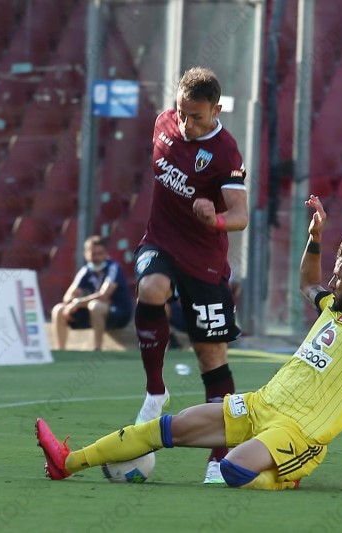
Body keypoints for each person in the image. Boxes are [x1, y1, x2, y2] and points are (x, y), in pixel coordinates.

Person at [36, 195, 342, 490]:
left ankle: (290, 475)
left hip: (299, 432)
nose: (331, 282)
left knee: (234, 471)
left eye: (339, 276)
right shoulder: (332, 307)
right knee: (168, 427)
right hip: (260, 404)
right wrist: (316, 238)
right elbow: (307, 283)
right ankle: (68, 462)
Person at [131, 66, 249, 483]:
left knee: (210, 357)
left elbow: (241, 216)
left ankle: (220, 456)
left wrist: (215, 219)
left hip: (204, 261)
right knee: (151, 288)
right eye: (181, 112)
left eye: (196, 116)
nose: (185, 123)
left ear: (216, 110)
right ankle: (155, 390)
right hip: (161, 242)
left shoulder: (226, 152)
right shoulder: (163, 124)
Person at [51, 235, 134, 351]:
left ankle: (97, 349)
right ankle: (61, 351)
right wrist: (72, 304)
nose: (97, 257)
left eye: (100, 254)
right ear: (86, 254)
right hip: (93, 312)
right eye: (93, 254)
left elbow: (104, 295)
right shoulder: (86, 270)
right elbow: (69, 296)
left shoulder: (114, 267)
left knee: (95, 306)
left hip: (118, 313)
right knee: (59, 309)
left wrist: (78, 302)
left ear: (106, 254)